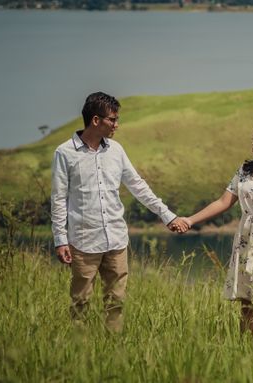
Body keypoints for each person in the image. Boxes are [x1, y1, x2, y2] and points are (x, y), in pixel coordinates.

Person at [50, 92, 189, 332]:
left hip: (116, 239)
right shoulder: (64, 153)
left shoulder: (116, 150)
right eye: (112, 119)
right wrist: (60, 240)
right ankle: (77, 350)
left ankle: (113, 346)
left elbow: (138, 186)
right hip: (83, 242)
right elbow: (59, 199)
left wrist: (168, 216)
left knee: (116, 302)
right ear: (96, 120)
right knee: (80, 303)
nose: (117, 124)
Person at [172, 116, 253, 335]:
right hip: (246, 238)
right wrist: (190, 219)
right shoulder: (244, 170)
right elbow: (223, 202)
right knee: (247, 301)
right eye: (252, 138)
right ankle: (247, 347)